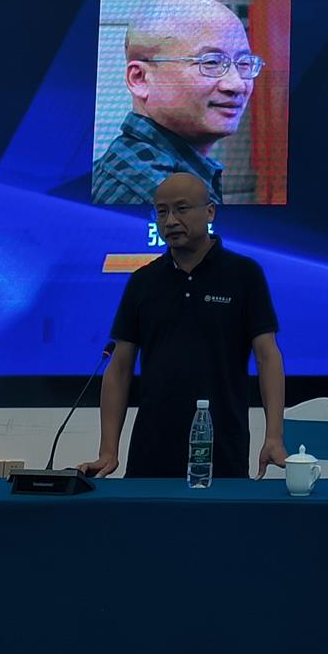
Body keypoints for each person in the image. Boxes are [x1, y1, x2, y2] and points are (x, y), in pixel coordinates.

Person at [79, 172, 288, 481]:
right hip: (151, 451)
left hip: (222, 448)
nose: (171, 221)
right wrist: (108, 450)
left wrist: (273, 436)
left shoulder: (244, 275)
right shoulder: (143, 281)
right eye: (162, 212)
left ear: (210, 211)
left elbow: (267, 357)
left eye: (182, 209)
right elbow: (120, 367)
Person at [91, 0, 265, 206]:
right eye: (211, 62)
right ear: (140, 79)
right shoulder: (162, 197)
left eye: (244, 63)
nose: (237, 85)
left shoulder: (126, 166)